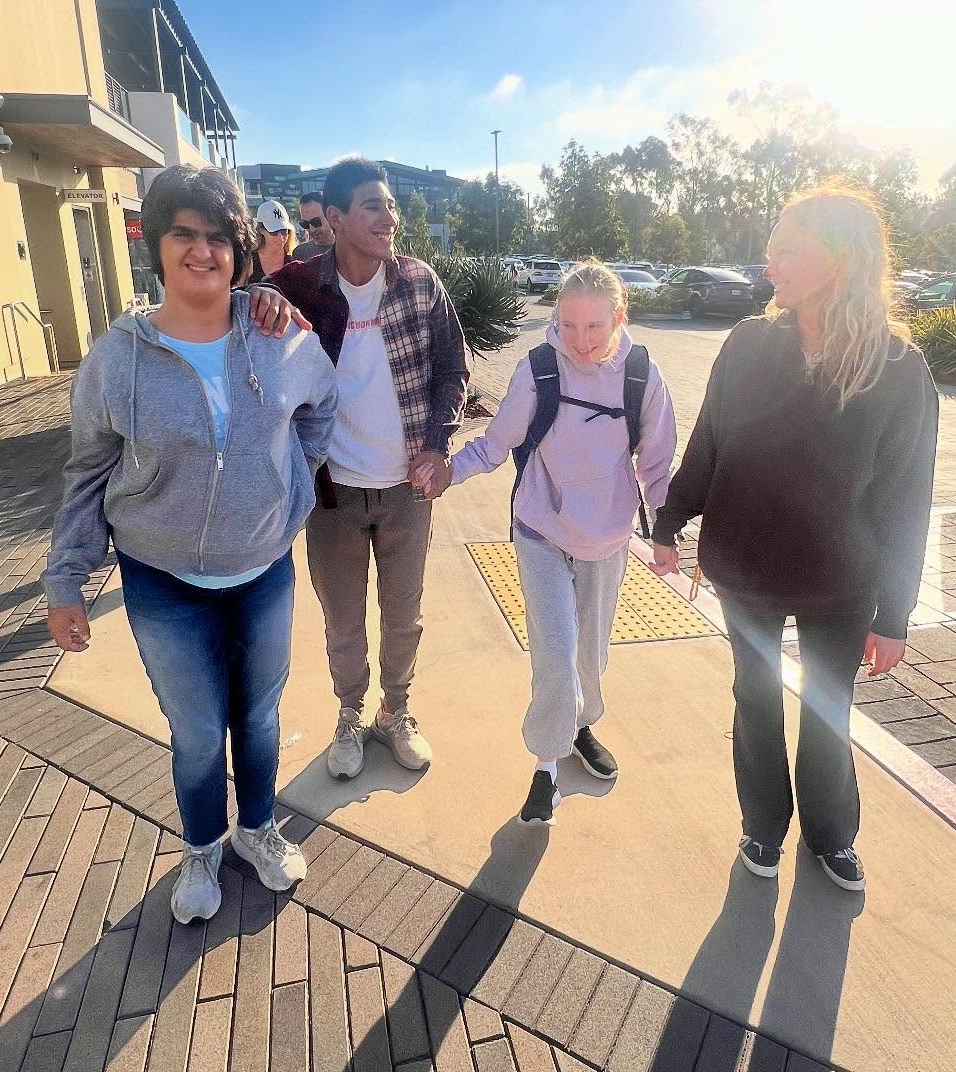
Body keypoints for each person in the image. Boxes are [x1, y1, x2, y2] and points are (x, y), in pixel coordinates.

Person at [44, 164, 338, 923]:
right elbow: (88, 467)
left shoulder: (281, 335)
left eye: (217, 236)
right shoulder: (119, 355)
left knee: (261, 716)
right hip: (163, 577)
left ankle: (258, 831)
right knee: (199, 729)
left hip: (263, 565)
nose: (200, 250)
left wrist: (290, 483)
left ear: (239, 250)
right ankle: (203, 845)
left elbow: (322, 407)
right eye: (183, 232)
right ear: (158, 242)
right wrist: (66, 579)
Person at [652, 186, 937, 892]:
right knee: (755, 698)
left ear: (839, 261)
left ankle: (832, 835)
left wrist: (894, 617)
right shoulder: (750, 343)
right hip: (745, 567)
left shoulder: (899, 369)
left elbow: (908, 501)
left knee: (827, 710)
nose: (768, 262)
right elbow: (710, 441)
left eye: (786, 249)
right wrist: (669, 520)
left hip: (842, 581)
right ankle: (763, 825)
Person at [426, 262, 676, 825]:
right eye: (568, 326)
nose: (580, 341)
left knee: (591, 655)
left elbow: (656, 466)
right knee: (556, 656)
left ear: (619, 316)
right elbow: (494, 445)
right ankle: (547, 768)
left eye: (594, 327)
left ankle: (582, 725)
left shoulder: (641, 375)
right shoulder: (538, 370)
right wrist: (446, 472)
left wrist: (664, 531)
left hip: (608, 538)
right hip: (541, 529)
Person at [258, 156, 469, 778]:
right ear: (336, 218)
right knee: (343, 622)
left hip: (407, 491)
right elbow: (243, 305)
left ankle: (395, 712)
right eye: (374, 206)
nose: (389, 217)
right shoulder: (303, 287)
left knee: (405, 618)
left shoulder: (419, 282)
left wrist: (436, 443)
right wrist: (260, 298)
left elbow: (453, 371)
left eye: (392, 206)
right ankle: (349, 716)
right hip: (333, 496)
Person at [253, 199, 297, 279]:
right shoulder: (249, 261)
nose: (280, 237)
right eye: (274, 231)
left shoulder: (295, 258)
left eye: (284, 231)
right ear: (261, 230)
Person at [295, 191, 334, 261]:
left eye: (316, 222)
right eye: (305, 224)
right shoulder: (300, 253)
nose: (312, 229)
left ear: (330, 216)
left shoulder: (352, 249)